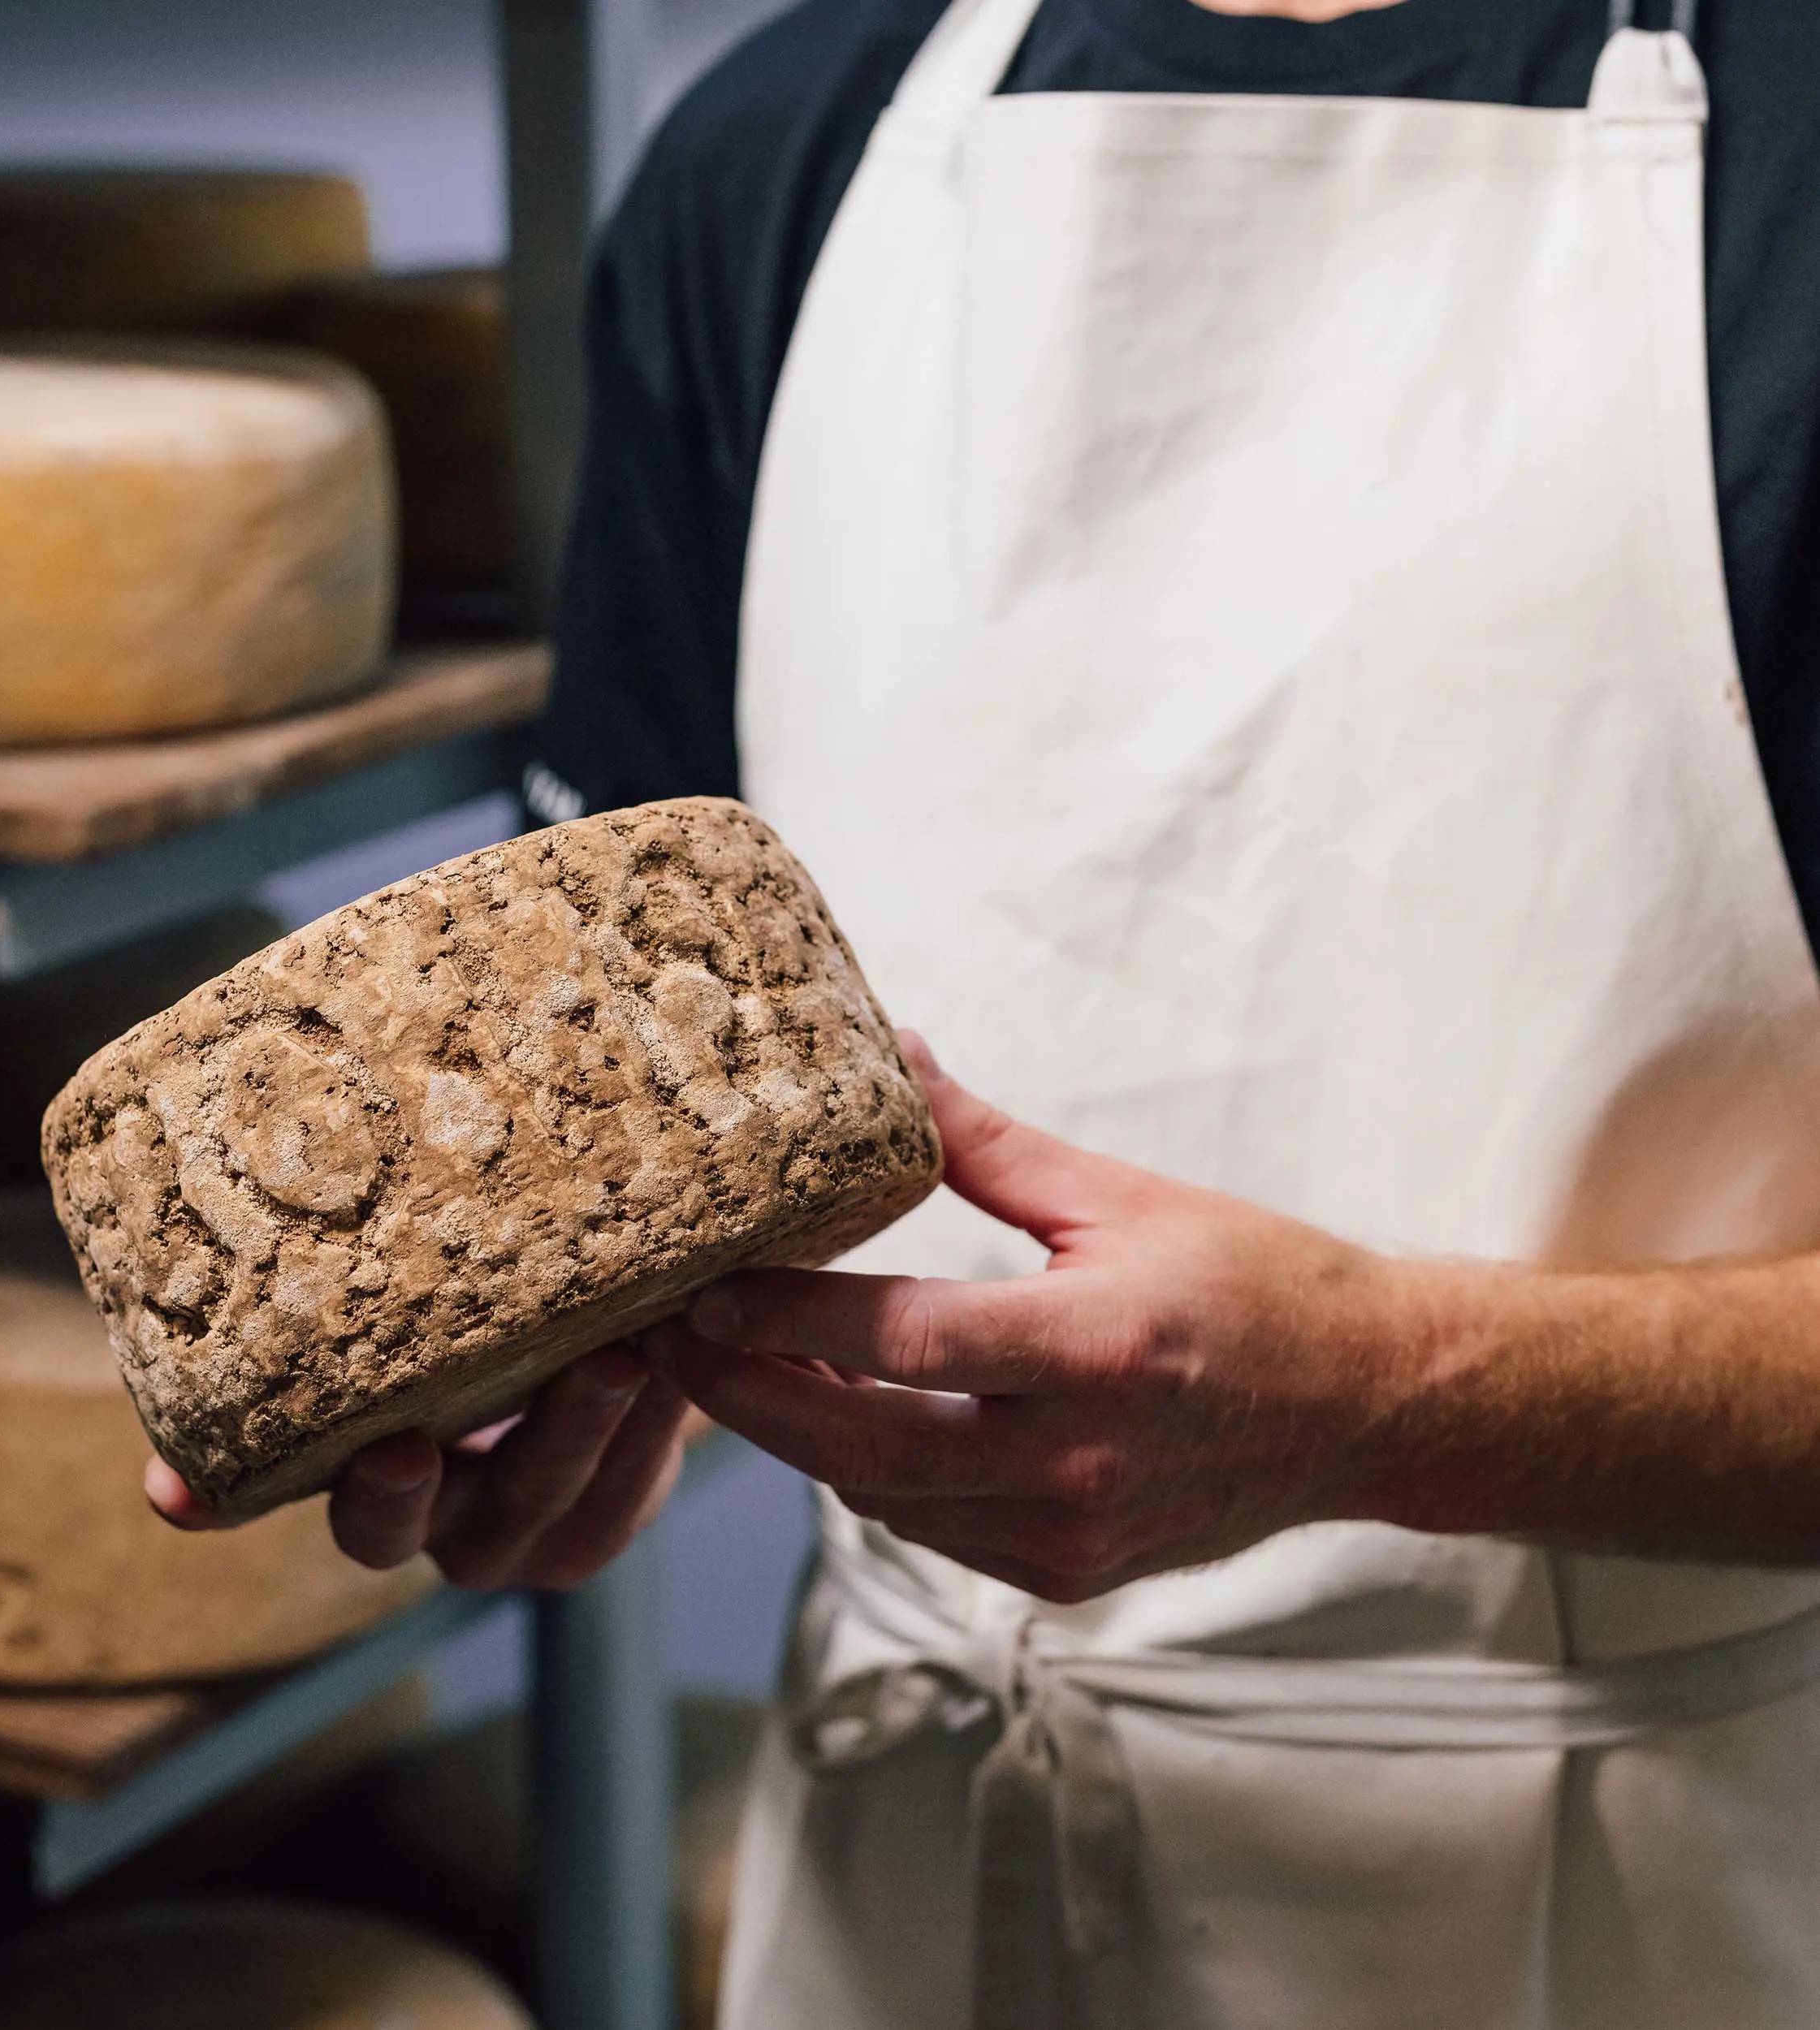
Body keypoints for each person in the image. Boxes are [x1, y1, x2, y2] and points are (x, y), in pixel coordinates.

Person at [155, 0, 1820, 2021]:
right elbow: (646, 1097)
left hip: (1638, 1886)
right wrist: (568, 1365)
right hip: (910, 1843)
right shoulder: (770, 160)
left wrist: (1393, 1389)